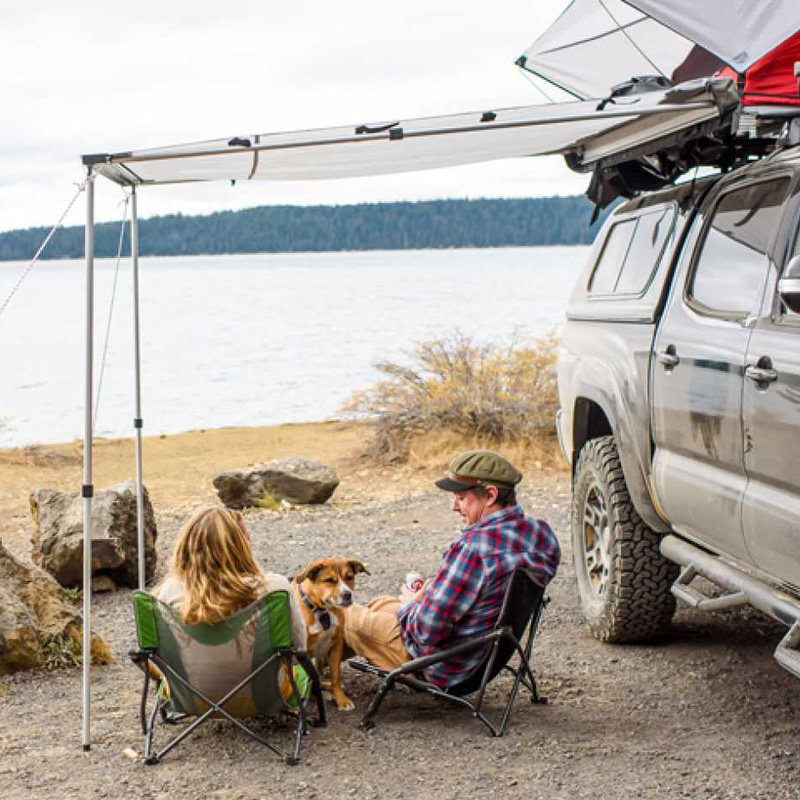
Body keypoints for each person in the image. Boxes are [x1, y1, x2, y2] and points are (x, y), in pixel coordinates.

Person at [343, 449, 560, 688]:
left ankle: (319, 676)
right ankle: (331, 669)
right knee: (380, 604)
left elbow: (426, 632)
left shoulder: (474, 549)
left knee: (345, 616)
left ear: (490, 495)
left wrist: (412, 603)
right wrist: (420, 602)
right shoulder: (542, 534)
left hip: (443, 667)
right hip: (486, 659)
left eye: (461, 497)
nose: (455, 507)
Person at [155, 505, 306, 650]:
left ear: (186, 547)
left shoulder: (169, 592)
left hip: (185, 670)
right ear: (241, 546)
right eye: (247, 539)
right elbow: (298, 646)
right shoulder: (274, 588)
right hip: (259, 669)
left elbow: (160, 653)